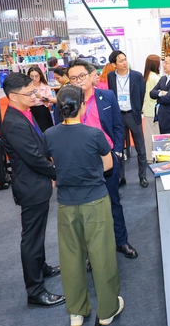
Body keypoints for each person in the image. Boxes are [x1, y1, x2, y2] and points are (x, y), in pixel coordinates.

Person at [43, 85, 124, 326]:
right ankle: (107, 309)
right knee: (102, 255)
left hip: (66, 204)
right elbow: (108, 165)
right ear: (81, 106)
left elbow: (54, 163)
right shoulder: (94, 134)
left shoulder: (49, 134)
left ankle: (76, 311)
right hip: (95, 201)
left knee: (71, 257)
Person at [0, 73, 65, 308]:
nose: (34, 96)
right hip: (31, 186)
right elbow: (33, 158)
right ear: (13, 97)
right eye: (29, 93)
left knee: (38, 234)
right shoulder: (14, 123)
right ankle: (35, 291)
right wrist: (58, 173)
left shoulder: (23, 114)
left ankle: (42, 268)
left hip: (36, 182)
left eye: (34, 91)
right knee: (32, 239)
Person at [65, 60, 138, 259]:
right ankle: (91, 252)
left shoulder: (107, 96)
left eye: (81, 76)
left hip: (107, 159)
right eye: (73, 78)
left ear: (91, 76)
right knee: (85, 209)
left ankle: (121, 241)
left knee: (113, 202)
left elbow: (117, 127)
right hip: (81, 163)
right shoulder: (66, 101)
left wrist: (116, 152)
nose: (78, 81)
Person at [106, 51, 148, 188]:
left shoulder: (137, 75)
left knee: (140, 147)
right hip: (118, 116)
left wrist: (136, 109)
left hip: (133, 114)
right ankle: (121, 177)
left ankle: (142, 176)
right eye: (121, 61)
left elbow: (141, 94)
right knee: (119, 148)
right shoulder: (110, 76)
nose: (124, 62)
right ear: (114, 64)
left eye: (125, 59)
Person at [141, 55, 161, 162]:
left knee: (149, 135)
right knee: (156, 135)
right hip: (155, 110)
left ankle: (149, 157)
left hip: (147, 109)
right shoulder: (156, 78)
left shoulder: (146, 76)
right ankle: (155, 156)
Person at [28, 66, 55, 133]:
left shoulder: (46, 87)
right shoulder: (26, 87)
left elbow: (50, 102)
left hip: (42, 110)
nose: (34, 78)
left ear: (40, 75)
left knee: (45, 131)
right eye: (32, 76)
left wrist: (41, 97)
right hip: (30, 110)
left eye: (36, 76)